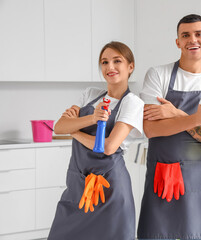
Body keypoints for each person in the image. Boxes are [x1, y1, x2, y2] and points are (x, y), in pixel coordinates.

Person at [137, 14, 201, 240]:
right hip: (163, 173)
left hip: (199, 179)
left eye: (198, 34)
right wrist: (198, 119)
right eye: (185, 35)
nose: (192, 40)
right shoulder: (158, 75)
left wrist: (175, 114)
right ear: (177, 41)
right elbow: (151, 129)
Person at [48, 41, 144, 240]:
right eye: (104, 62)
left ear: (130, 67)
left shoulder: (132, 102)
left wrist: (73, 130)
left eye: (117, 61)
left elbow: (108, 147)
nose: (110, 67)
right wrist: (93, 118)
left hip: (109, 188)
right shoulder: (90, 95)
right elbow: (58, 127)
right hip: (78, 183)